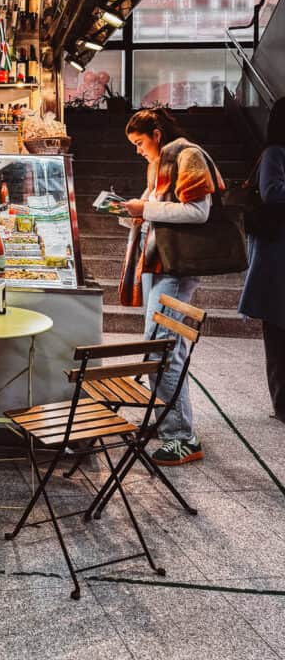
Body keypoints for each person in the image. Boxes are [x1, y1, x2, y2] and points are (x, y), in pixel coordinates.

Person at [119, 108, 223, 466]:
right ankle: (167, 421)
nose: (137, 150)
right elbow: (156, 207)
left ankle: (181, 436)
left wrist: (144, 210)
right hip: (158, 263)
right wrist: (130, 210)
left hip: (175, 267)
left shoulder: (187, 155)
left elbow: (198, 212)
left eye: (139, 142)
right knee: (162, 349)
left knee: (162, 350)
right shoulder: (160, 162)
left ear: (157, 134)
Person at [239, 97, 285, 423]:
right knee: (279, 331)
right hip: (276, 255)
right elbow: (271, 192)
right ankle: (282, 404)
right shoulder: (274, 152)